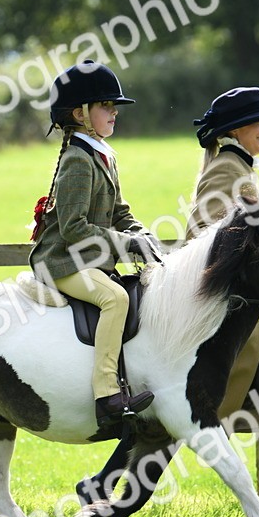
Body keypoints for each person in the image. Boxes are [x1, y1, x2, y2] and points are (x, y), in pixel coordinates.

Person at [82, 86, 259, 517]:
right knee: (183, 413)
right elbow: (207, 238)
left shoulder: (238, 166)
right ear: (234, 130)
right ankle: (103, 492)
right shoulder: (227, 170)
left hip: (250, 324)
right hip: (228, 323)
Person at [29, 61, 160, 428]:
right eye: (106, 106)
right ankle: (107, 393)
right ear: (80, 114)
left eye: (113, 106)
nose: (114, 112)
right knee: (114, 298)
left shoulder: (102, 154)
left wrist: (143, 236)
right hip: (60, 262)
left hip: (88, 260)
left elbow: (119, 210)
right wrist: (127, 243)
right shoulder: (77, 160)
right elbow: (73, 228)